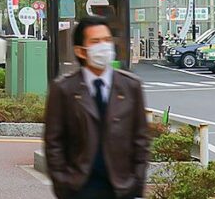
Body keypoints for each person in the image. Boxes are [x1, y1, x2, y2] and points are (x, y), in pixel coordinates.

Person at [44, 16, 149, 199]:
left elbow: (141, 139)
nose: (104, 46)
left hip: (122, 187)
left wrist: (136, 181)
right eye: (95, 41)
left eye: (107, 40)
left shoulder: (130, 86)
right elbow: (54, 142)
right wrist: (63, 183)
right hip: (79, 188)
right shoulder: (64, 89)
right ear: (80, 51)